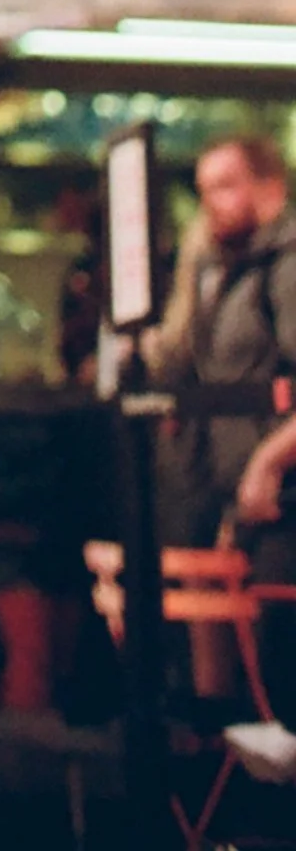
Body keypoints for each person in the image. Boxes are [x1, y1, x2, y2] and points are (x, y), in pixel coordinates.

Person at [156, 136, 296, 712]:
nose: (211, 202)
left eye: (224, 185)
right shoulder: (222, 267)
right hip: (227, 491)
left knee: (278, 666)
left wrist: (270, 461)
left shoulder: (285, 265)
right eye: (203, 190)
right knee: (233, 673)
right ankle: (233, 790)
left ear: (270, 186)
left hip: (281, 500)